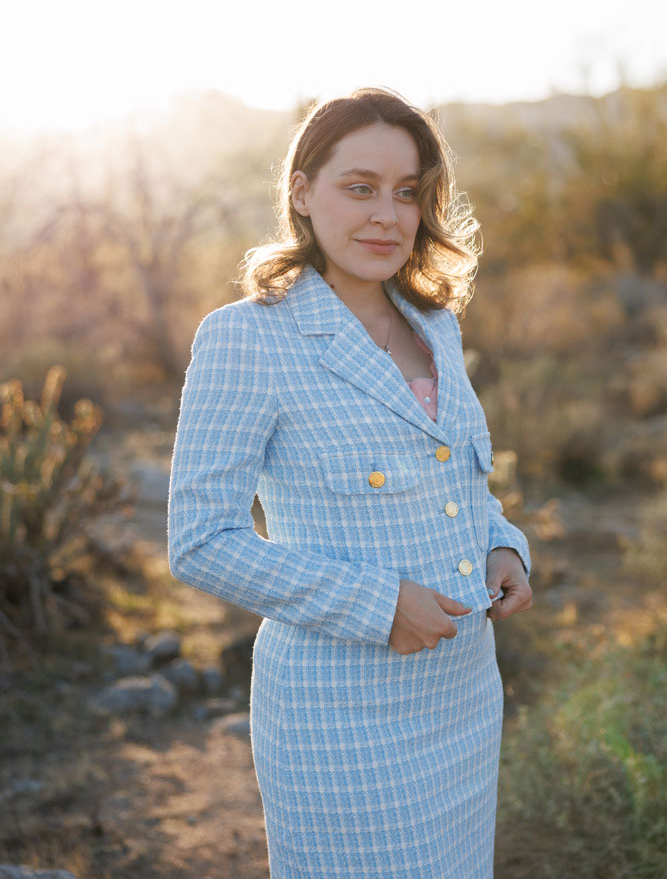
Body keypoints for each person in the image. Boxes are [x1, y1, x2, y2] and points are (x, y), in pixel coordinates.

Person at [167, 87, 532, 879]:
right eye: (358, 187)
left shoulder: (434, 323)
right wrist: (378, 606)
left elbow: (456, 475)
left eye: (408, 193)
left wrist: (502, 544)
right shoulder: (246, 338)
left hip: (464, 696)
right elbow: (200, 542)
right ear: (301, 191)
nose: (386, 215)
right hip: (341, 718)